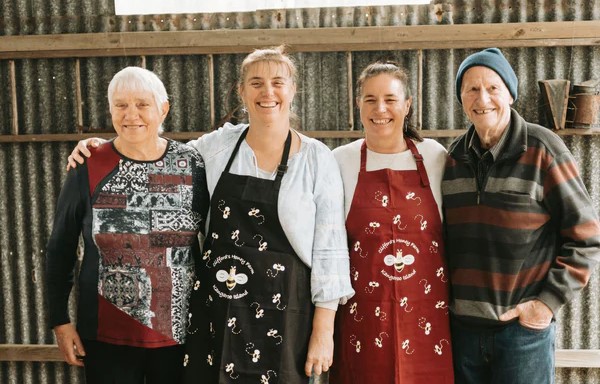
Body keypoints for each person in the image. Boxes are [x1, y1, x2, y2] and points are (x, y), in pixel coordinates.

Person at [65, 46, 355, 383]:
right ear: (242, 91)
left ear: (292, 90)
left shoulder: (317, 160)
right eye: (256, 83)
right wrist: (102, 147)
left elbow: (330, 250)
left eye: (278, 82)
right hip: (217, 314)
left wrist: (324, 330)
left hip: (285, 317)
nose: (268, 92)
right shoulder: (216, 148)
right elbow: (154, 154)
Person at [443, 47, 600, 383]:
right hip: (462, 335)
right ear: (461, 98)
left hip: (522, 335)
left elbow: (586, 236)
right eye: (471, 88)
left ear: (510, 95)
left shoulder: (544, 148)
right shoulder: (453, 158)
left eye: (492, 88)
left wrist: (545, 304)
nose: (482, 97)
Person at [46, 66, 209, 383]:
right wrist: (60, 322)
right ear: (110, 111)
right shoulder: (89, 164)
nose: (131, 114)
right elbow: (60, 247)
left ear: (163, 109)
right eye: (121, 105)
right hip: (107, 339)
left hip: (183, 333)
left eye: (142, 104)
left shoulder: (193, 164)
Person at [329, 62, 454, 383]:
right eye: (370, 99)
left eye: (390, 98)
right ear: (358, 104)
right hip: (362, 323)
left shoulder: (435, 157)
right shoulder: (339, 161)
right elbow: (326, 249)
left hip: (430, 320)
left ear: (407, 104)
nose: (380, 108)